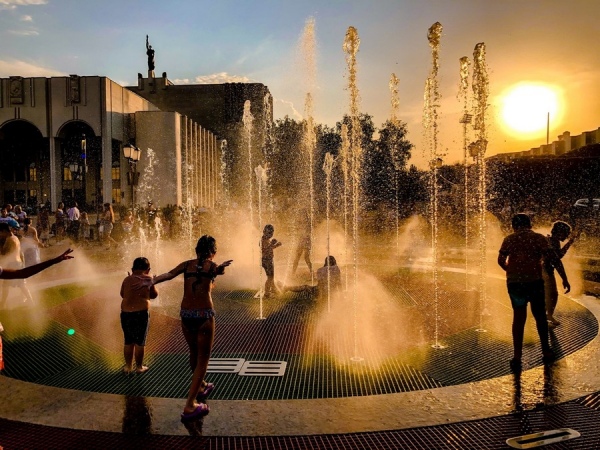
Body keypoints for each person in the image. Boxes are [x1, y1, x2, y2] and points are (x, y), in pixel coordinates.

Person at [152, 235, 232, 422]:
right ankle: (190, 405)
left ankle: (202, 385)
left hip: (186, 315)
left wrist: (151, 281)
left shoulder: (187, 265)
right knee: (203, 361)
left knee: (193, 352)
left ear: (196, 250)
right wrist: (219, 269)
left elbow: (168, 275)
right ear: (213, 252)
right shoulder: (211, 266)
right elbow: (217, 271)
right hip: (204, 315)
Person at [498, 213, 570, 372]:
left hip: (515, 285)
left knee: (519, 318)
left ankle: (517, 357)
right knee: (540, 316)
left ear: (513, 226)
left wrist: (512, 272)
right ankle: (546, 351)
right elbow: (554, 259)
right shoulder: (538, 238)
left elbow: (501, 260)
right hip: (534, 282)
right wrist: (564, 278)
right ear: (529, 225)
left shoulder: (509, 239)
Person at [120, 257, 158, 374]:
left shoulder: (127, 279)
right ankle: (139, 367)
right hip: (141, 314)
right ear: (148, 270)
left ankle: (128, 367)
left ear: (132, 269)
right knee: (140, 342)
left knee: (128, 341)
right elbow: (154, 295)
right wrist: (154, 282)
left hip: (126, 313)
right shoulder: (148, 279)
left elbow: (122, 294)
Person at [544, 221, 576, 328]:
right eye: (566, 233)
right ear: (560, 232)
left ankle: (546, 316)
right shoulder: (552, 241)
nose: (567, 236)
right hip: (546, 272)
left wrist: (569, 243)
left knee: (548, 295)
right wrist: (564, 279)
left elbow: (558, 256)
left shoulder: (551, 240)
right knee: (552, 295)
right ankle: (546, 316)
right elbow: (557, 260)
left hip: (544, 271)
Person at [0, 223, 33, 306]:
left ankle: (2, 304)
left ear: (4, 231)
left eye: (0, 232)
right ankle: (30, 300)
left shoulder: (10, 239)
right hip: (17, 263)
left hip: (13, 264)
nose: (0, 235)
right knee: (20, 284)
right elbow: (20, 253)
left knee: (6, 285)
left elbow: (4, 252)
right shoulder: (15, 238)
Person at [260, 224, 282, 298]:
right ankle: (267, 293)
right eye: (269, 233)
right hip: (266, 261)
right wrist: (272, 244)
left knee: (271, 276)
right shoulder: (263, 240)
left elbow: (270, 248)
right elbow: (265, 250)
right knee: (270, 277)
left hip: (268, 260)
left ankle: (273, 288)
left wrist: (276, 245)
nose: (271, 235)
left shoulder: (266, 239)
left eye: (272, 233)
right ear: (264, 232)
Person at [291, 210, 312, 277]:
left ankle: (311, 271)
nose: (301, 216)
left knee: (306, 257)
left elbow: (307, 233)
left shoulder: (308, 223)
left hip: (306, 241)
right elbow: (298, 231)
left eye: (303, 215)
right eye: (301, 215)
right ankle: (293, 272)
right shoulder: (300, 223)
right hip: (301, 241)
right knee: (297, 257)